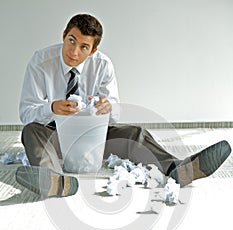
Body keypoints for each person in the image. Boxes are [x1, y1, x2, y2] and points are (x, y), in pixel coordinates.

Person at [16, 13, 231, 198]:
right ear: (64, 35)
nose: (73, 51)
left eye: (83, 47)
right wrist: (51, 108)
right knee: (31, 131)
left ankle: (177, 169)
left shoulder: (103, 65)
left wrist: (107, 109)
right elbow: (26, 113)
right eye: (71, 40)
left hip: (93, 139)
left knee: (135, 133)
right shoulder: (40, 62)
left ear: (92, 50)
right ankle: (54, 180)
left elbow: (115, 115)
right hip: (56, 137)